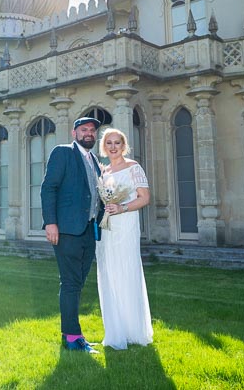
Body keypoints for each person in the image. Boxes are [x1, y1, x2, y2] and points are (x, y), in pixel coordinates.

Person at [41, 117, 105, 354]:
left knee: (77, 283)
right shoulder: (63, 152)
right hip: (66, 230)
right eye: (84, 129)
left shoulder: (95, 161)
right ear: (74, 132)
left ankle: (72, 334)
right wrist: (51, 223)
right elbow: (49, 188)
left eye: (92, 130)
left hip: (89, 230)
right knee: (70, 283)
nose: (89, 133)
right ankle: (72, 337)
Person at [95, 127, 153, 350]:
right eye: (109, 143)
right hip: (108, 227)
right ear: (104, 147)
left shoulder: (133, 167)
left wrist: (122, 207)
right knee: (110, 272)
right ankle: (115, 329)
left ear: (124, 145)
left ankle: (134, 330)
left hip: (126, 223)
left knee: (127, 270)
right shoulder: (105, 172)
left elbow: (145, 198)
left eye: (117, 142)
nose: (113, 147)